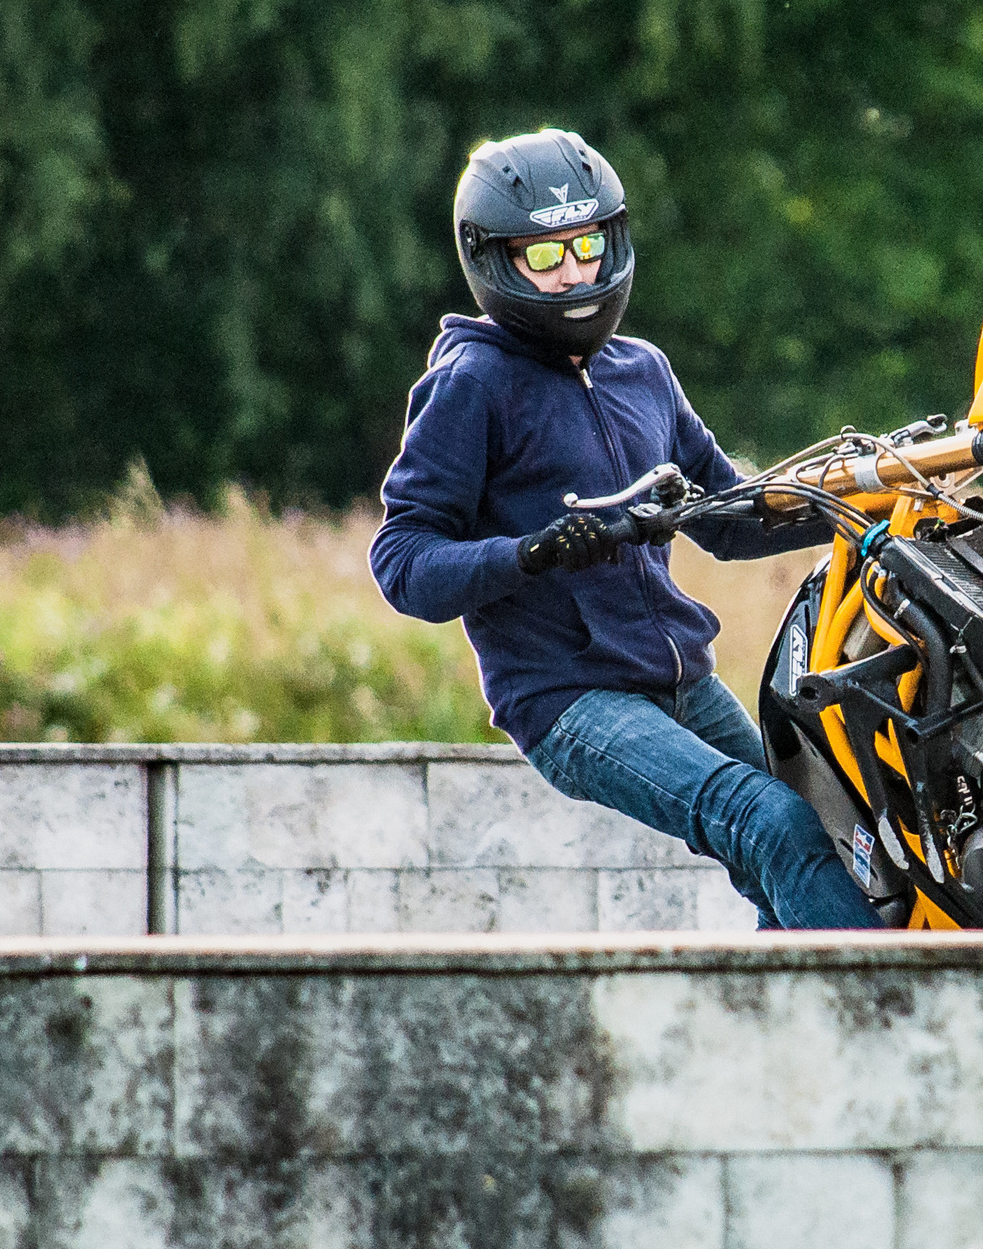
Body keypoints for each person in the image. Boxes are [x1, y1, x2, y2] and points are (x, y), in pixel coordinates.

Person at [370, 127, 881, 930]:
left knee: (833, 837)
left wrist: (859, 500)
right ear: (492, 261)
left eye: (586, 247)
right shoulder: (472, 384)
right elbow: (403, 562)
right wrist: (531, 554)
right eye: (545, 256)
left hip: (684, 682)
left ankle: (789, 1000)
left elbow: (731, 518)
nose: (574, 274)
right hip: (570, 701)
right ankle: (897, 1000)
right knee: (771, 823)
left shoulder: (643, 370)